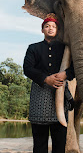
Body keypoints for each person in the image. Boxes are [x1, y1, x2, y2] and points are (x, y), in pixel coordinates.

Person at [23, 13, 74, 153]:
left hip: (60, 95)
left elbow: (76, 67)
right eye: (47, 26)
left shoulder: (66, 48)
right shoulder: (33, 48)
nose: (50, 29)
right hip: (39, 95)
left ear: (57, 30)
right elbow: (27, 69)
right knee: (39, 144)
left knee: (59, 143)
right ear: (42, 30)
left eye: (53, 27)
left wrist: (66, 74)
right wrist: (46, 79)